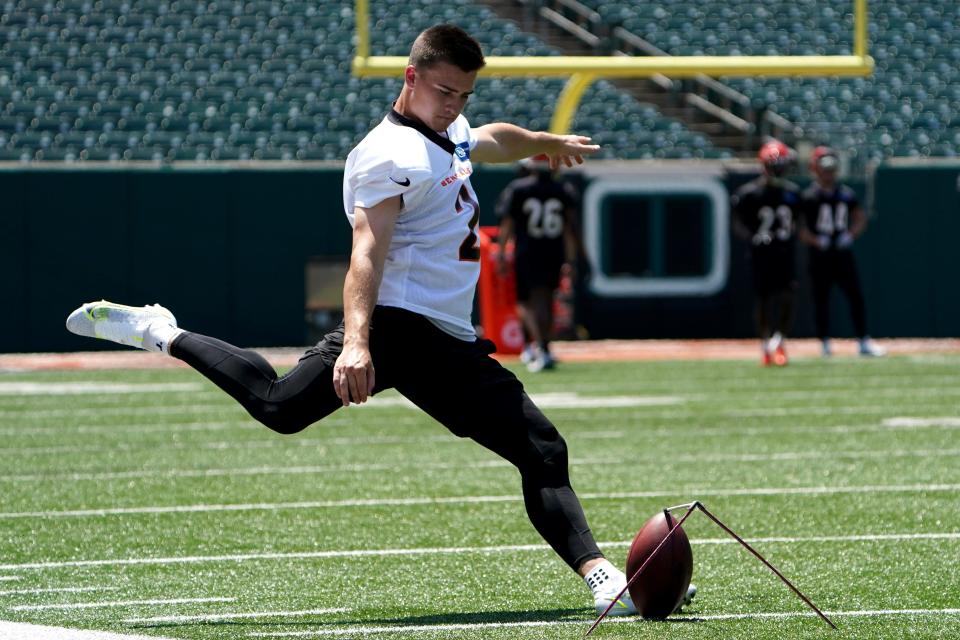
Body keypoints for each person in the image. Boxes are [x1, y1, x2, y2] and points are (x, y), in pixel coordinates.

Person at [65, 25, 693, 617]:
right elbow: (366, 251)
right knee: (280, 408)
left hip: (446, 339)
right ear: (410, 76)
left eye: (464, 94)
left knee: (542, 447)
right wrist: (357, 344)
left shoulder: (447, 128)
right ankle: (160, 331)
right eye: (445, 90)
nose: (454, 104)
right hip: (395, 325)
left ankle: (604, 581)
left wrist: (544, 142)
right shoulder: (388, 153)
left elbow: (489, 137)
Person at [494, 155, 585, 372]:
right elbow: (570, 229)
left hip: (527, 252)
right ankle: (544, 347)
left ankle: (541, 348)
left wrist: (500, 253)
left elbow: (507, 223)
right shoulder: (563, 190)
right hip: (554, 252)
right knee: (545, 299)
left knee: (527, 302)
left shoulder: (519, 188)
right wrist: (572, 260)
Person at [798, 146, 886, 357]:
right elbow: (799, 227)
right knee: (821, 299)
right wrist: (815, 240)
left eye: (831, 169)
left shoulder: (845, 194)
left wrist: (850, 235)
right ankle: (825, 343)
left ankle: (863, 340)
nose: (829, 174)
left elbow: (860, 217)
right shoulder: (809, 196)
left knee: (855, 296)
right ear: (816, 169)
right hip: (820, 255)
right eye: (825, 169)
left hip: (841, 252)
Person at [731, 140, 801, 367]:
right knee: (763, 300)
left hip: (784, 251)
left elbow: (800, 222)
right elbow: (737, 223)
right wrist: (753, 238)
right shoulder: (749, 193)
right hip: (761, 254)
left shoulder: (792, 193)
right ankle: (765, 344)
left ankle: (778, 341)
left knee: (787, 297)